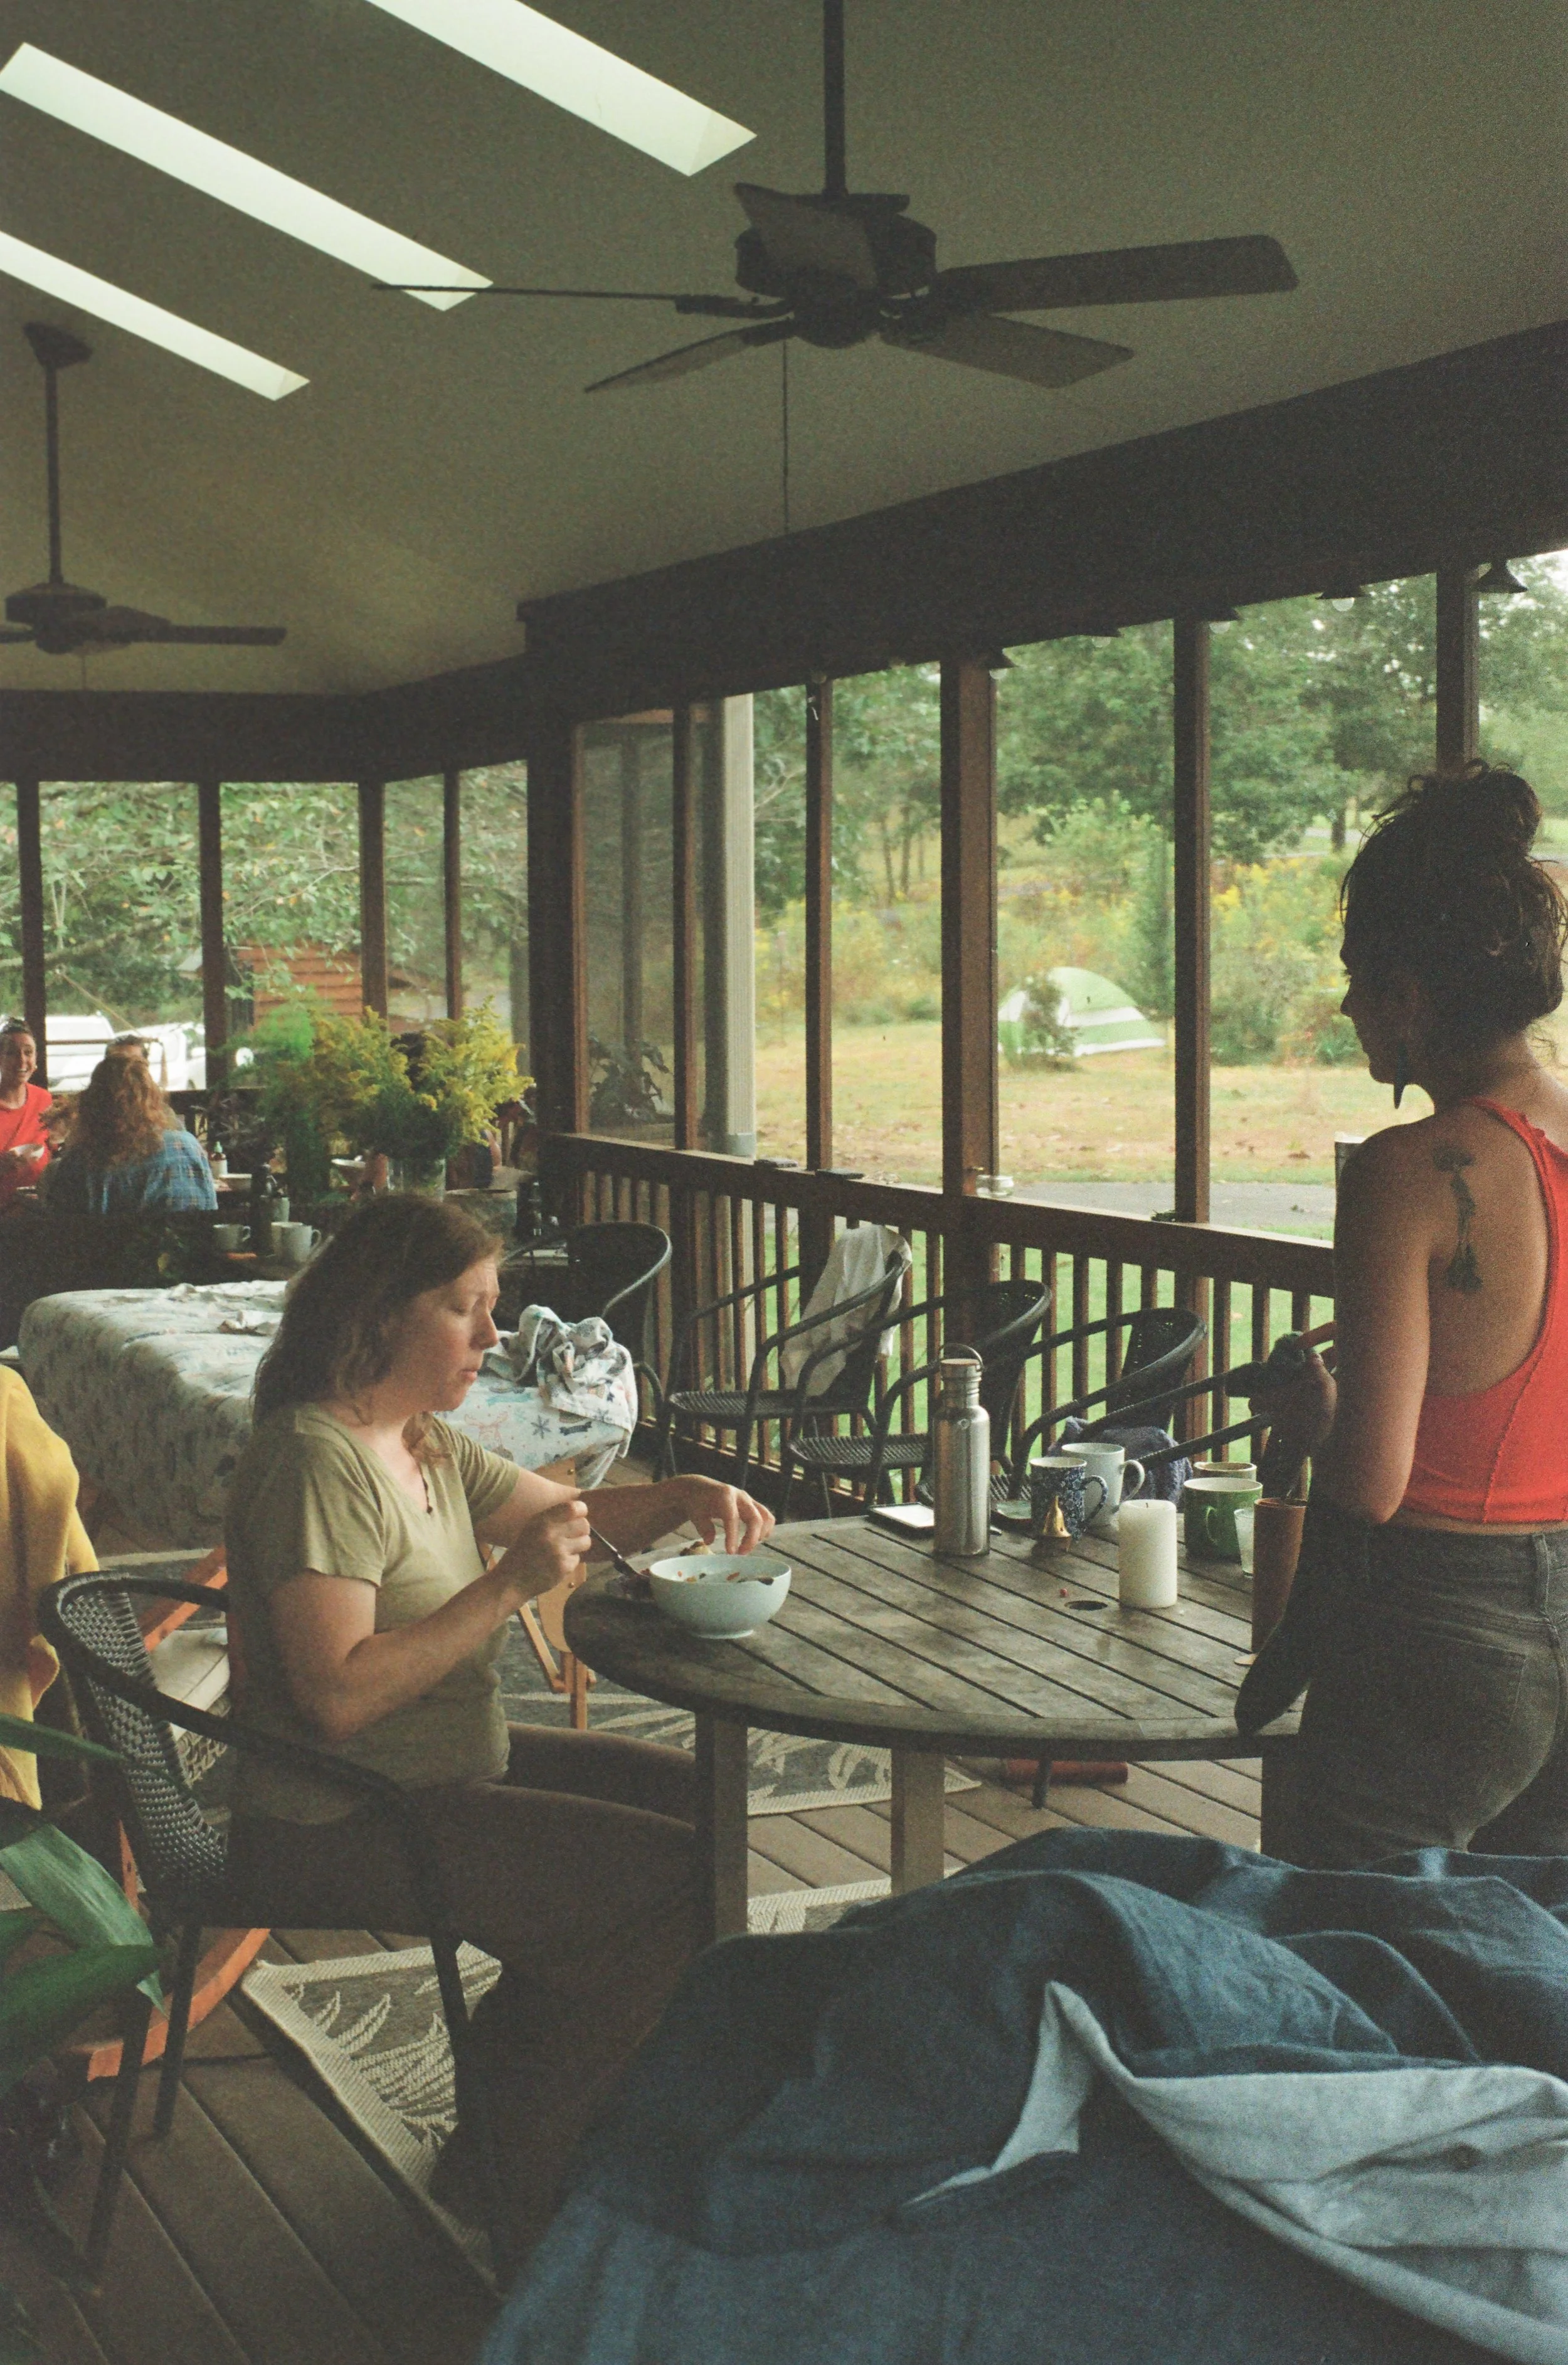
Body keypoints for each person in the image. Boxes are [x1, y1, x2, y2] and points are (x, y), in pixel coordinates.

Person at [221, 1193, 773, 2251]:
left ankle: (504, 2122)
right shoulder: (316, 1458)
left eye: (495, 1308)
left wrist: (681, 1495)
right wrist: (508, 1588)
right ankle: (527, 2182)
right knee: (666, 1892)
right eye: (467, 1310)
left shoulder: (414, 1438)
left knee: (711, 1813)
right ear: (381, 1315)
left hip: (441, 1767)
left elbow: (562, 1515)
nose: (494, 1337)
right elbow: (335, 1698)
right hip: (335, 1817)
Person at [1238, 761, 1568, 1866]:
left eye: (1355, 980)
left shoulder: (1408, 1170)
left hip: (1441, 1631)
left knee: (1357, 1953)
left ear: (1411, 997)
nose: (1344, 1009)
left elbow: (1373, 1485)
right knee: (1523, 1975)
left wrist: (1317, 1429)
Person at [44, 1051, 216, 1216]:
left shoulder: (83, 1159)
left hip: (113, 1247)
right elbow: (210, 1214)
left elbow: (64, 1229)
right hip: (188, 1245)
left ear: (94, 1101)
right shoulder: (189, 1147)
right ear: (153, 1097)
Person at [0, 1022, 52, 1211]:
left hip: (39, 1211)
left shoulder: (44, 1099)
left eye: (28, 1052)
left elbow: (54, 1149)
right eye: (12, 1053)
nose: (22, 1060)